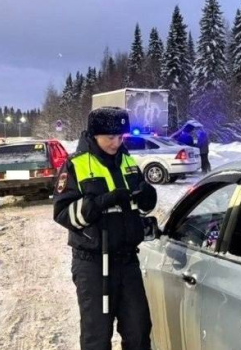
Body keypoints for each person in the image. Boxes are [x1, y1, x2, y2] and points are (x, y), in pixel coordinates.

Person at [54, 107, 158, 350]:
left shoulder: (128, 161)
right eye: (110, 138)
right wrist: (100, 203)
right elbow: (62, 214)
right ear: (94, 135)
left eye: (120, 137)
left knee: (139, 332)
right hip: (93, 263)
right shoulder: (75, 165)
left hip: (127, 262)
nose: (116, 143)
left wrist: (147, 198)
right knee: (97, 338)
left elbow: (140, 208)